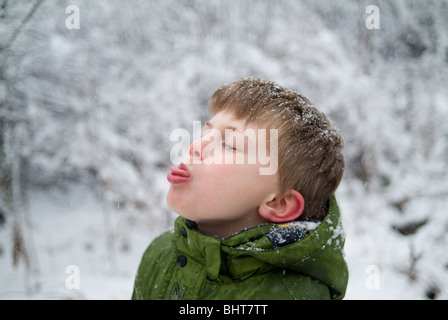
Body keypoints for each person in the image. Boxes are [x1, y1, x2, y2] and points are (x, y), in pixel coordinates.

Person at [132, 77, 348, 300]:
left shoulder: (292, 296)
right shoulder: (160, 254)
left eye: (228, 145)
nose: (196, 147)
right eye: (206, 134)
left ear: (278, 203)